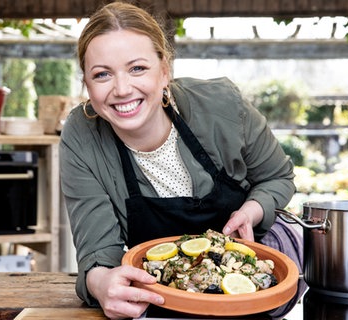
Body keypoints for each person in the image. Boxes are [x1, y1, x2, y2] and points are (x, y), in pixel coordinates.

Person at [59, 2, 303, 319]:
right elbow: (97, 253)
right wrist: (103, 284)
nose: (121, 89)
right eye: (102, 74)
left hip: (250, 286)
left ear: (165, 70)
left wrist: (251, 211)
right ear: (87, 85)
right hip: (162, 299)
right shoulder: (82, 135)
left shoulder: (222, 105)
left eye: (137, 68)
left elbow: (277, 178)